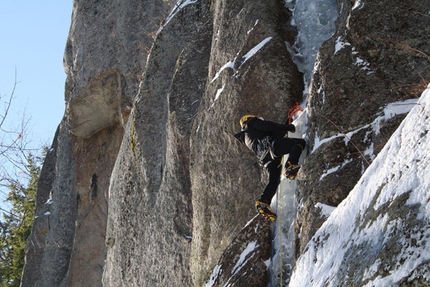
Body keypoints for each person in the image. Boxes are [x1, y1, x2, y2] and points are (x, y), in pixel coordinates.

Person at [234, 114, 306, 220]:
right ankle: (290, 165)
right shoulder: (251, 123)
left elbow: (275, 134)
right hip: (271, 147)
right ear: (248, 119)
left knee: (273, 181)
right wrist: (288, 127)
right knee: (299, 143)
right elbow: (269, 126)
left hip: (266, 159)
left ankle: (264, 201)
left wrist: (286, 125)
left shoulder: (247, 137)